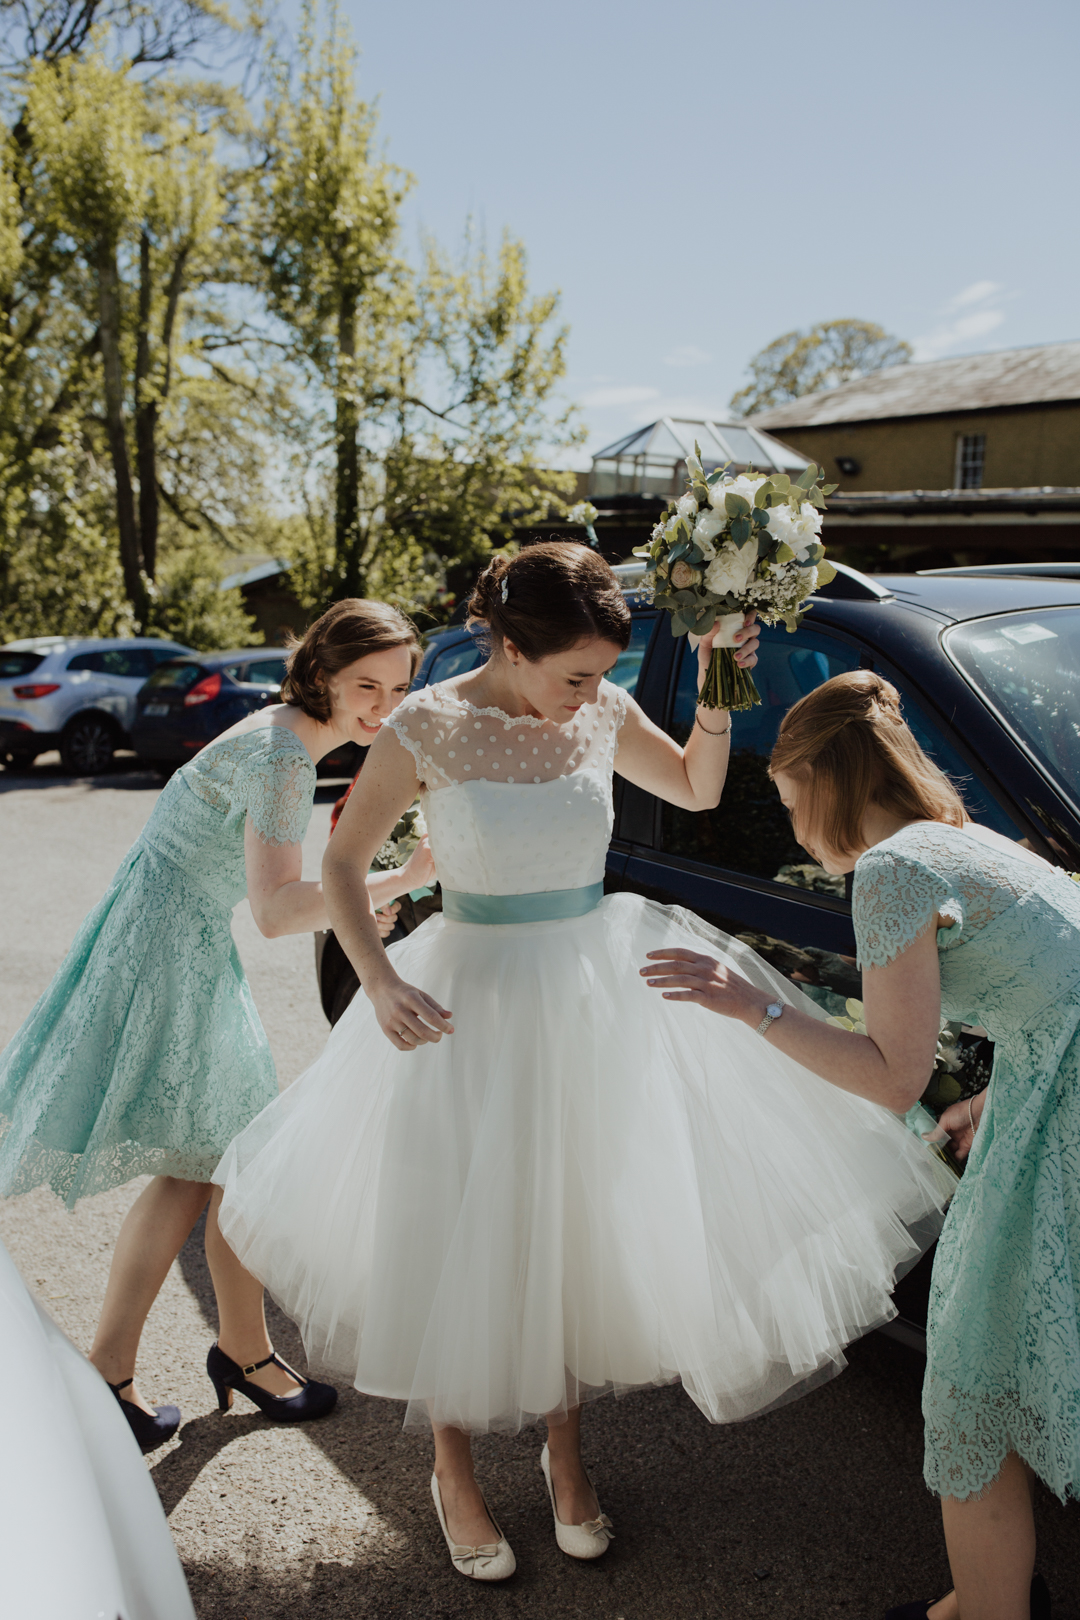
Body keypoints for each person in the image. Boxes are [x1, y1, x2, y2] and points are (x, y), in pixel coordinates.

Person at [215, 545, 951, 1583]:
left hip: (590, 989)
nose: (590, 694)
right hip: (464, 999)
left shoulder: (600, 714)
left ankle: (566, 1455)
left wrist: (716, 683)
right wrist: (377, 981)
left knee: (573, 1221)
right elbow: (340, 866)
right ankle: (452, 1463)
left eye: (602, 673)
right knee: (457, 1224)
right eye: (573, 675)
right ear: (511, 649)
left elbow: (697, 791)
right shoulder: (426, 724)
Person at [641, 669, 1075, 1620]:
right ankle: (987, 1594)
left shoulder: (893, 869)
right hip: (1057, 1092)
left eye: (791, 802)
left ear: (827, 782)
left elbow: (890, 1079)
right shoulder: (968, 843)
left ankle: (994, 1608)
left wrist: (747, 1002)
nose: (795, 829)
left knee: (972, 1382)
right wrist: (1008, 1089)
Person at [0, 599, 434, 1450]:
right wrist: (398, 879)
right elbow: (276, 912)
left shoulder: (276, 732)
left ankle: (228, 1353)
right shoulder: (283, 758)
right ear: (320, 674)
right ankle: (144, 1371)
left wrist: (359, 899)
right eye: (365, 686)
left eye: (399, 686)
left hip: (165, 937)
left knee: (218, 1162)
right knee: (213, 1161)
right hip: (173, 953)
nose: (383, 706)